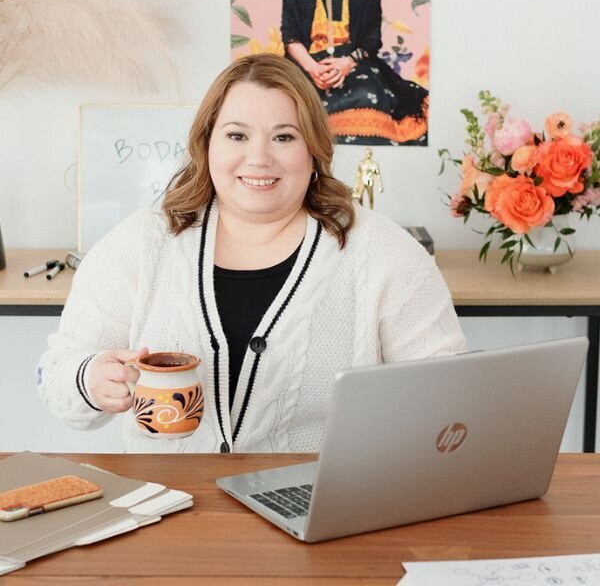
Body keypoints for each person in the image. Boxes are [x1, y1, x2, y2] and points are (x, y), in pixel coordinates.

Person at [38, 53, 464, 454]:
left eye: (283, 137)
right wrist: (91, 379)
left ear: (313, 150)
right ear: (207, 146)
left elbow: (451, 404)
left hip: (325, 511)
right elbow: (59, 379)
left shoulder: (388, 256)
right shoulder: (141, 243)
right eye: (237, 135)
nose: (259, 158)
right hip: (166, 507)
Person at [281, 0, 428, 145]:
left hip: (352, 62)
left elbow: (372, 40)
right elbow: (290, 36)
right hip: (306, 63)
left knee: (367, 95)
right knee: (290, 103)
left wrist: (347, 63)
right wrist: (314, 69)